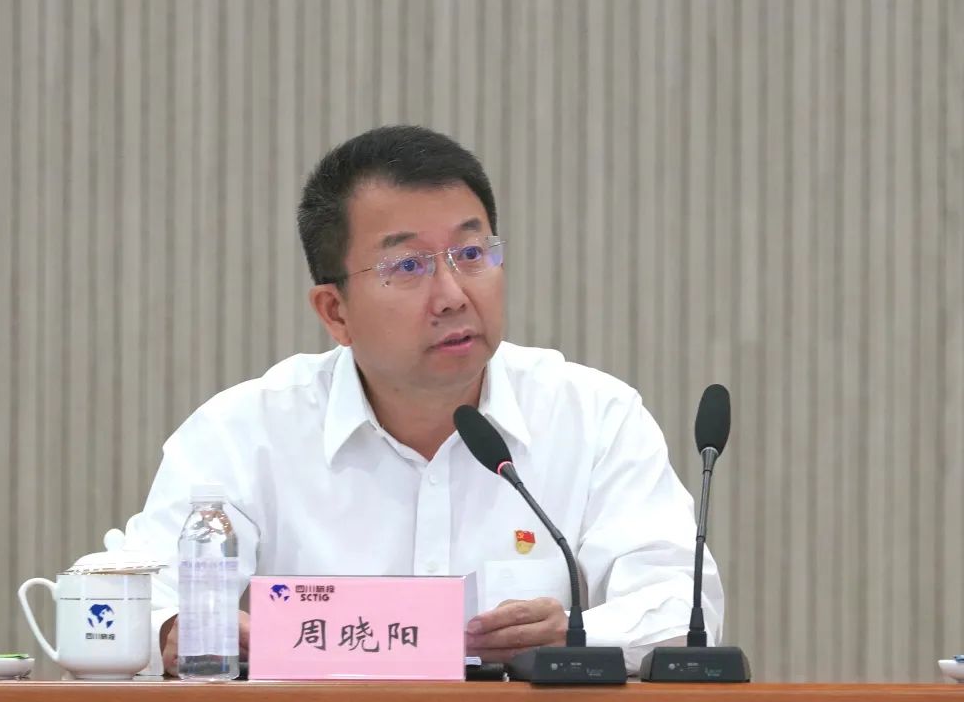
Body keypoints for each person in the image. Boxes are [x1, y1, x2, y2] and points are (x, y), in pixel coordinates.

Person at [122, 125, 725, 676]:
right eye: (407, 265)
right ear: (335, 311)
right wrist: (174, 628)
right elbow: (134, 596)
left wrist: (576, 633)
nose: (453, 295)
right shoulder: (244, 432)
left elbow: (683, 603)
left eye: (472, 254)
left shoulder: (592, 417)